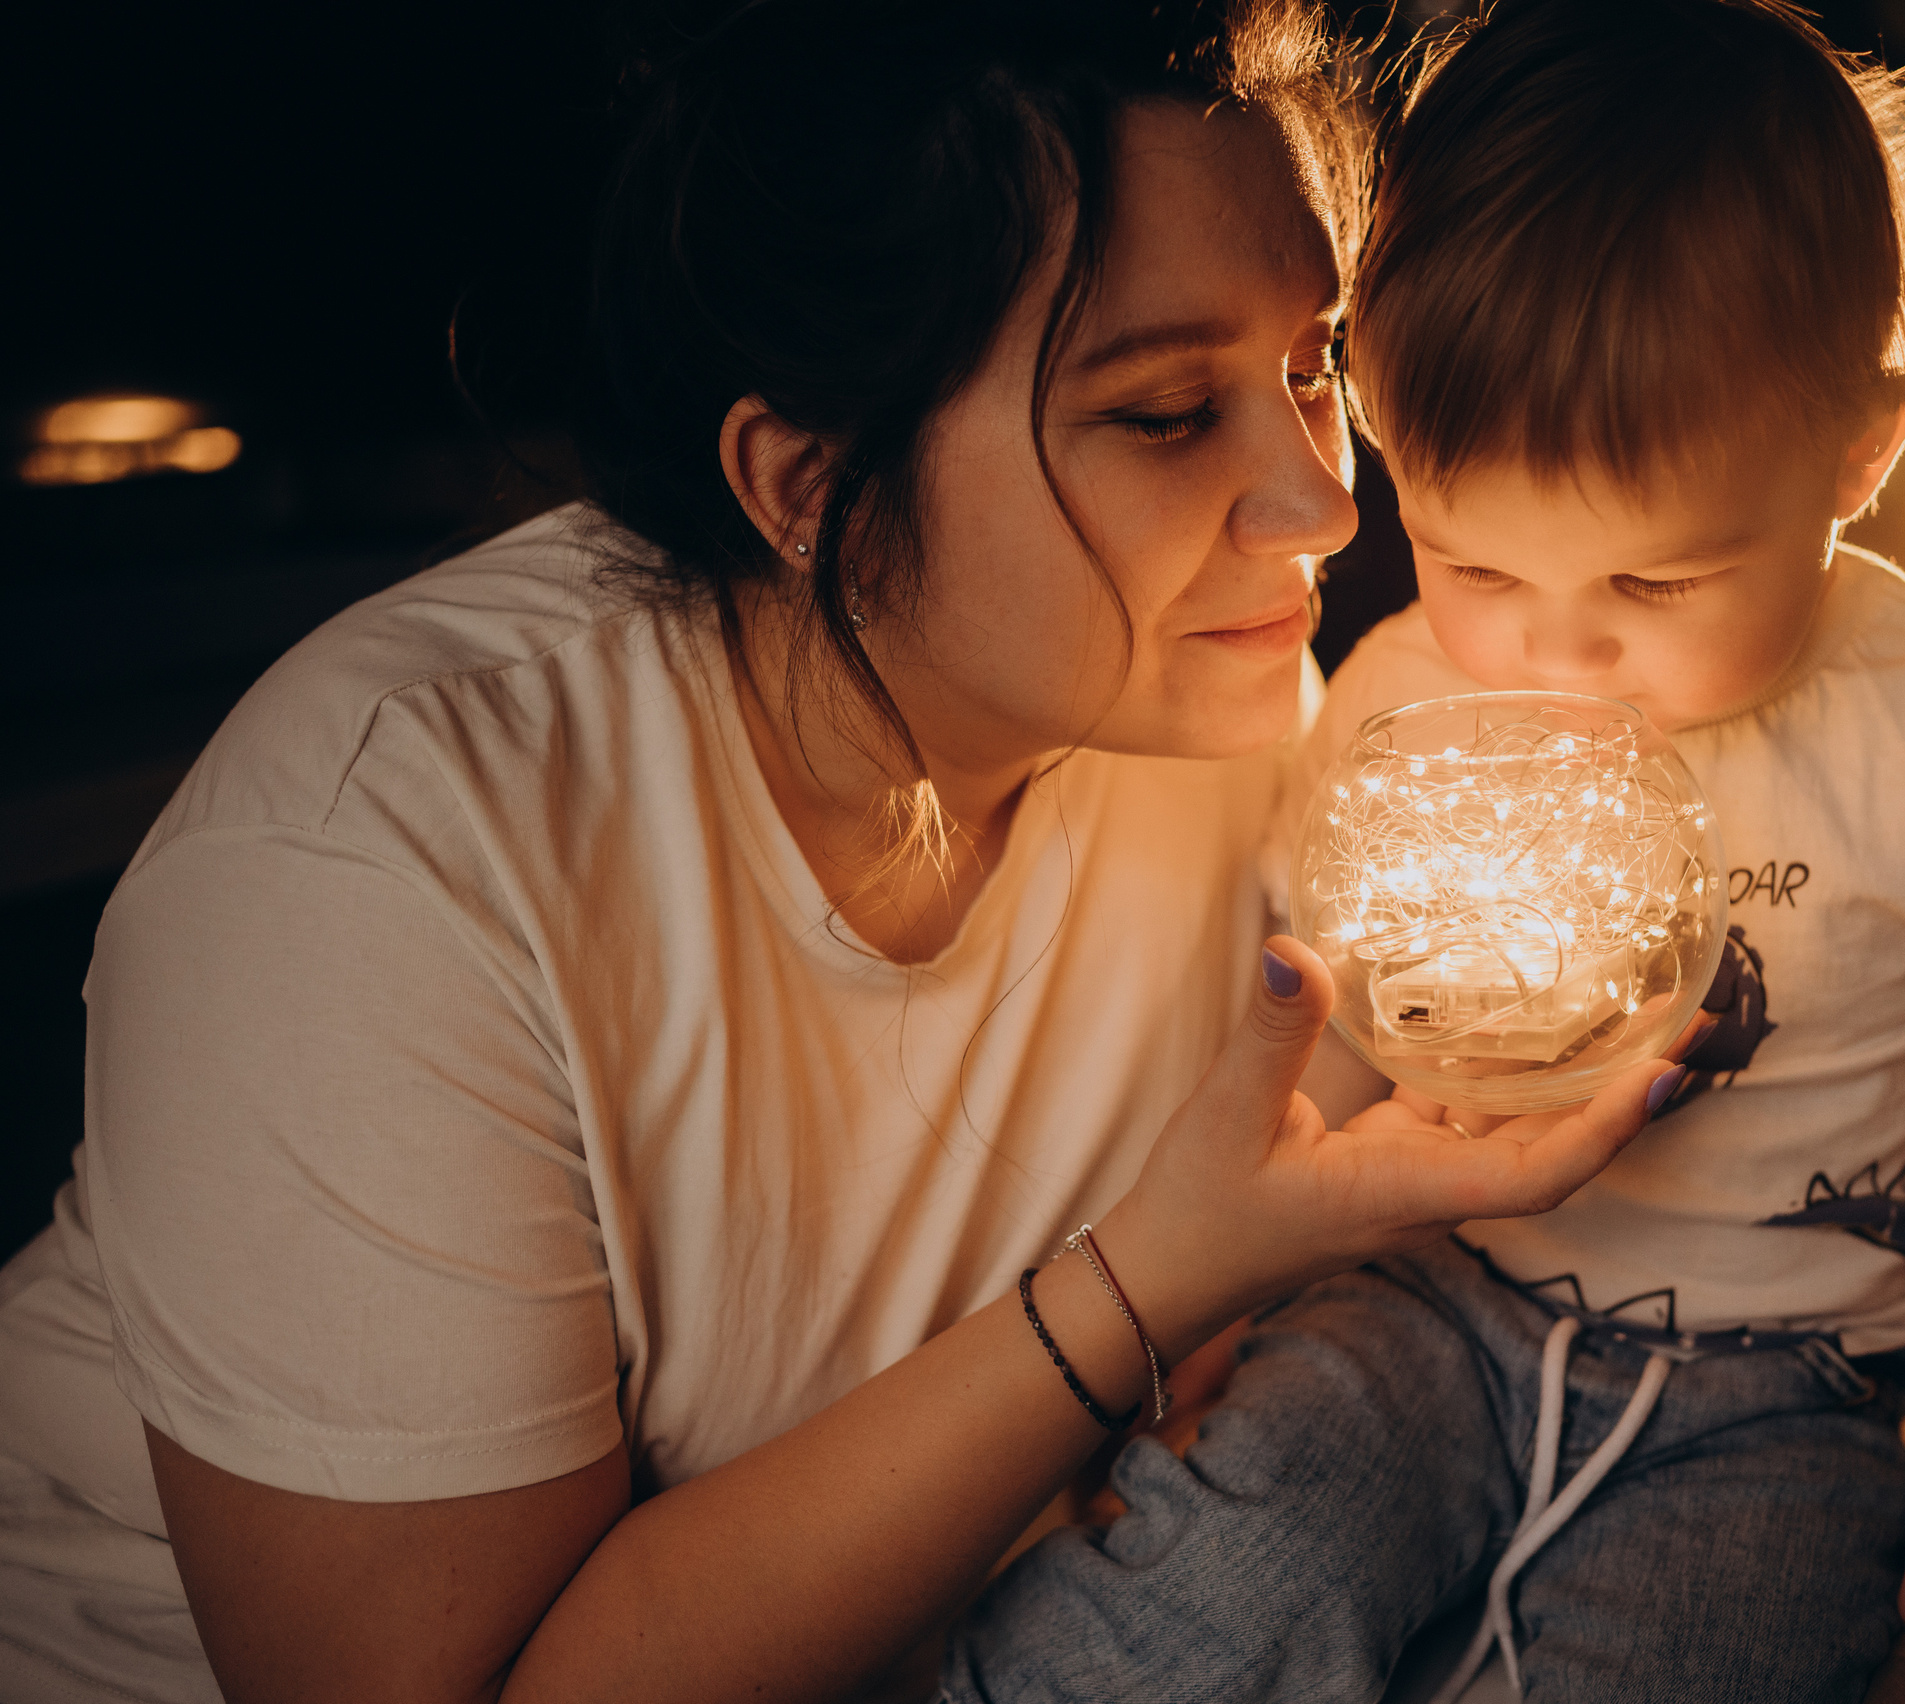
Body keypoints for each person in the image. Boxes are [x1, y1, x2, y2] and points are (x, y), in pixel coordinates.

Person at [0, 5, 1694, 1701]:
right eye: (1172, 411)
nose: (1327, 501)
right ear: (811, 486)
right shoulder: (373, 871)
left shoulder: (1226, 713)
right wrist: (1159, 1280)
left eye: (1313, 370)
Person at [946, 3, 1905, 1701]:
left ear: (1861, 447)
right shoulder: (1401, 697)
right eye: (1474, 562)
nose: (1552, 654)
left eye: (1655, 581)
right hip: (1421, 1308)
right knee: (1213, 1586)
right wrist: (1225, 1287)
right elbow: (1343, 1022)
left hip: (1778, 1398)